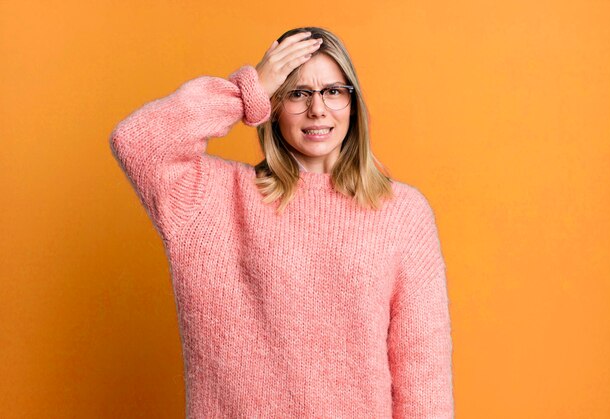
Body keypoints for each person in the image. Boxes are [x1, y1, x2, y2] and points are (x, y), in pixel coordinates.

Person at [109, 26, 454, 418]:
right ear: (272, 105)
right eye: (297, 93)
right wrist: (247, 89)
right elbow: (137, 140)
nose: (318, 109)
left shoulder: (402, 212)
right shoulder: (214, 199)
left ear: (353, 104)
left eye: (333, 91)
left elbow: (423, 374)